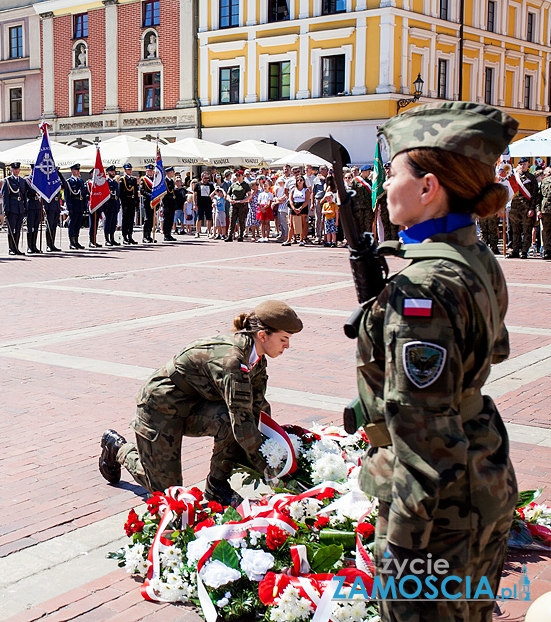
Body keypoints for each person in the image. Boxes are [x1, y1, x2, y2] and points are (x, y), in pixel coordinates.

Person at [354, 102, 519, 622]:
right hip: (480, 471)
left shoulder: (421, 288)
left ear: (428, 187)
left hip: (438, 509)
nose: (383, 188)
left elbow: (424, 430)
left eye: (394, 173)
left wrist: (401, 546)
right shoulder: (474, 256)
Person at [98, 301, 303, 505]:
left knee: (228, 421)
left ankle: (217, 486)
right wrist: (270, 468)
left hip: (195, 404)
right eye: (284, 339)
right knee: (169, 494)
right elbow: (242, 422)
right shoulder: (233, 360)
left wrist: (280, 449)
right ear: (262, 335)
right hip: (160, 406)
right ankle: (119, 449)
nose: (287, 345)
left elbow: (257, 410)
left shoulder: (256, 358)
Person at [507, 158, 538, 258]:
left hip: (526, 208)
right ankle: (515, 250)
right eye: (520, 164)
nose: (522, 166)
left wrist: (532, 208)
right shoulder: (513, 177)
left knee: (526, 230)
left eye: (524, 164)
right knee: (515, 230)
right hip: (514, 208)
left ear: (528, 164)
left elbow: (534, 195)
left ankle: (524, 251)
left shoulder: (532, 178)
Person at [4, 163, 28, 255]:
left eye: (17, 169)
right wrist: (6, 209)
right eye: (14, 169)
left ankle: (16, 247)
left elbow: (24, 195)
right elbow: (5, 196)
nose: (16, 170)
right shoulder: (8, 180)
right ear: (11, 170)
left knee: (18, 229)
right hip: (12, 207)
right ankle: (11, 248)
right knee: (11, 229)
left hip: (20, 207)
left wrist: (25, 206)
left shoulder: (22, 181)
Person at [64, 164, 87, 250]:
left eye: (78, 170)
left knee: (78, 224)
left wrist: (84, 206)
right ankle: (71, 242)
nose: (78, 171)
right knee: (72, 224)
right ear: (72, 171)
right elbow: (67, 196)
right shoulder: (69, 182)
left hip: (80, 206)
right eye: (76, 170)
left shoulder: (80, 181)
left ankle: (76, 241)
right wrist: (69, 207)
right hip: (73, 205)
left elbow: (83, 195)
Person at [226, 172, 250, 242]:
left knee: (241, 220)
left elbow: (249, 195)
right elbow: (228, 194)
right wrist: (230, 200)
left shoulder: (245, 185)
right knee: (232, 220)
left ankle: (241, 235)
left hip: (242, 205)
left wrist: (243, 201)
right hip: (234, 204)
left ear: (243, 176)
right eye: (236, 175)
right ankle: (230, 235)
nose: (238, 177)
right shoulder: (233, 185)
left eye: (239, 175)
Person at [119, 163, 139, 245]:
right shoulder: (122, 180)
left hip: (132, 201)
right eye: (128, 170)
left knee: (131, 220)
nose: (130, 171)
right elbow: (121, 193)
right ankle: (125, 236)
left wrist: (136, 203)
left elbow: (136, 192)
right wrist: (124, 204)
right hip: (126, 201)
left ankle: (130, 236)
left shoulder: (133, 180)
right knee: (125, 220)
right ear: (125, 170)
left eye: (130, 169)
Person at [288, 174, 311, 245]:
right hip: (294, 206)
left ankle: (301, 240)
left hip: (302, 207)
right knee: (291, 224)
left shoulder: (306, 190)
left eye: (301, 180)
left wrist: (301, 208)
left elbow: (307, 201)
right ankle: (289, 239)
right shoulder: (293, 190)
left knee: (302, 224)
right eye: (298, 180)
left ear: (304, 181)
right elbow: (291, 200)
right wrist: (294, 208)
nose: (299, 181)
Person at [25, 175, 45, 254]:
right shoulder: (27, 180)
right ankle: (29, 246)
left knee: (36, 226)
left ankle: (34, 245)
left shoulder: (39, 180)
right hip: (30, 204)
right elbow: (27, 192)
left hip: (38, 204)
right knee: (30, 226)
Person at [103, 166, 121, 245]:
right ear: (108, 172)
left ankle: (112, 238)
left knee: (113, 222)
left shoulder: (115, 183)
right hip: (108, 204)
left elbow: (117, 194)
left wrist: (118, 205)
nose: (113, 173)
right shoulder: (106, 182)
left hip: (114, 204)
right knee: (108, 222)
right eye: (111, 172)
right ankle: (107, 239)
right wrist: (105, 206)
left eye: (114, 172)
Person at [161, 167, 178, 242]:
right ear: (169, 172)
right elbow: (164, 194)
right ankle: (166, 234)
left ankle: (169, 233)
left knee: (171, 219)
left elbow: (173, 193)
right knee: (167, 219)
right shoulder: (165, 181)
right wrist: (165, 205)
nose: (173, 173)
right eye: (172, 172)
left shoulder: (171, 181)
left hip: (171, 202)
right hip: (167, 202)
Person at [538, 167, 551, 260]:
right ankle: (547, 250)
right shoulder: (544, 181)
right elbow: (539, 197)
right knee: (546, 231)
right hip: (546, 209)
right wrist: (538, 210)